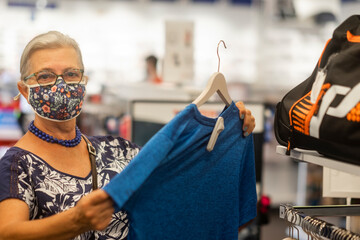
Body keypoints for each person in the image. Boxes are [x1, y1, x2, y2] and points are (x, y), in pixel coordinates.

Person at [0, 31, 256, 240]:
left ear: (83, 81)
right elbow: (8, 233)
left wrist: (227, 133)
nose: (60, 84)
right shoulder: (17, 165)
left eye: (70, 74)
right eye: (45, 76)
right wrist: (75, 221)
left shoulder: (118, 150)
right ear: (24, 90)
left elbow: (181, 175)